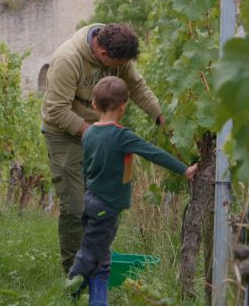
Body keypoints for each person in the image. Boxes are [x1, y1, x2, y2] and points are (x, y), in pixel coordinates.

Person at [64, 76, 197, 306]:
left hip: (93, 201)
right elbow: (154, 153)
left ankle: (98, 304)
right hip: (106, 206)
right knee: (90, 253)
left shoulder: (88, 134)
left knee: (102, 255)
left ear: (94, 104)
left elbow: (85, 168)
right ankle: (69, 291)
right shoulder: (121, 136)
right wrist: (185, 169)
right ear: (124, 105)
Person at [41, 23, 166, 274]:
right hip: (64, 133)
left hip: (98, 130)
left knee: (104, 202)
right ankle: (73, 272)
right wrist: (96, 134)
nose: (121, 68)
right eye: (117, 64)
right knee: (76, 207)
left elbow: (137, 87)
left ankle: (95, 264)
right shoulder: (68, 59)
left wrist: (160, 116)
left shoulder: (118, 55)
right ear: (103, 54)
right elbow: (56, 110)